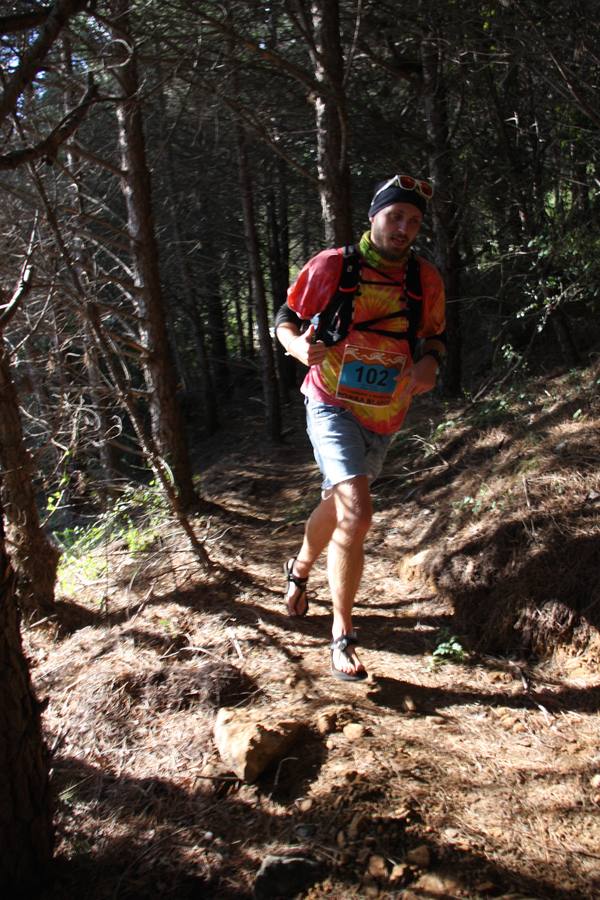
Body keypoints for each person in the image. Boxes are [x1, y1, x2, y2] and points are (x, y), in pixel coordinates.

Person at [275, 174, 446, 682]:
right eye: (395, 216)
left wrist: (429, 365)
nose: (403, 228)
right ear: (374, 216)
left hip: (387, 410)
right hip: (329, 400)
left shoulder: (425, 278)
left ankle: (299, 569)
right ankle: (342, 634)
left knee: (339, 503)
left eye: (413, 221)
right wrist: (297, 347)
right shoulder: (333, 265)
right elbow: (284, 317)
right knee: (358, 511)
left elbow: (435, 337)